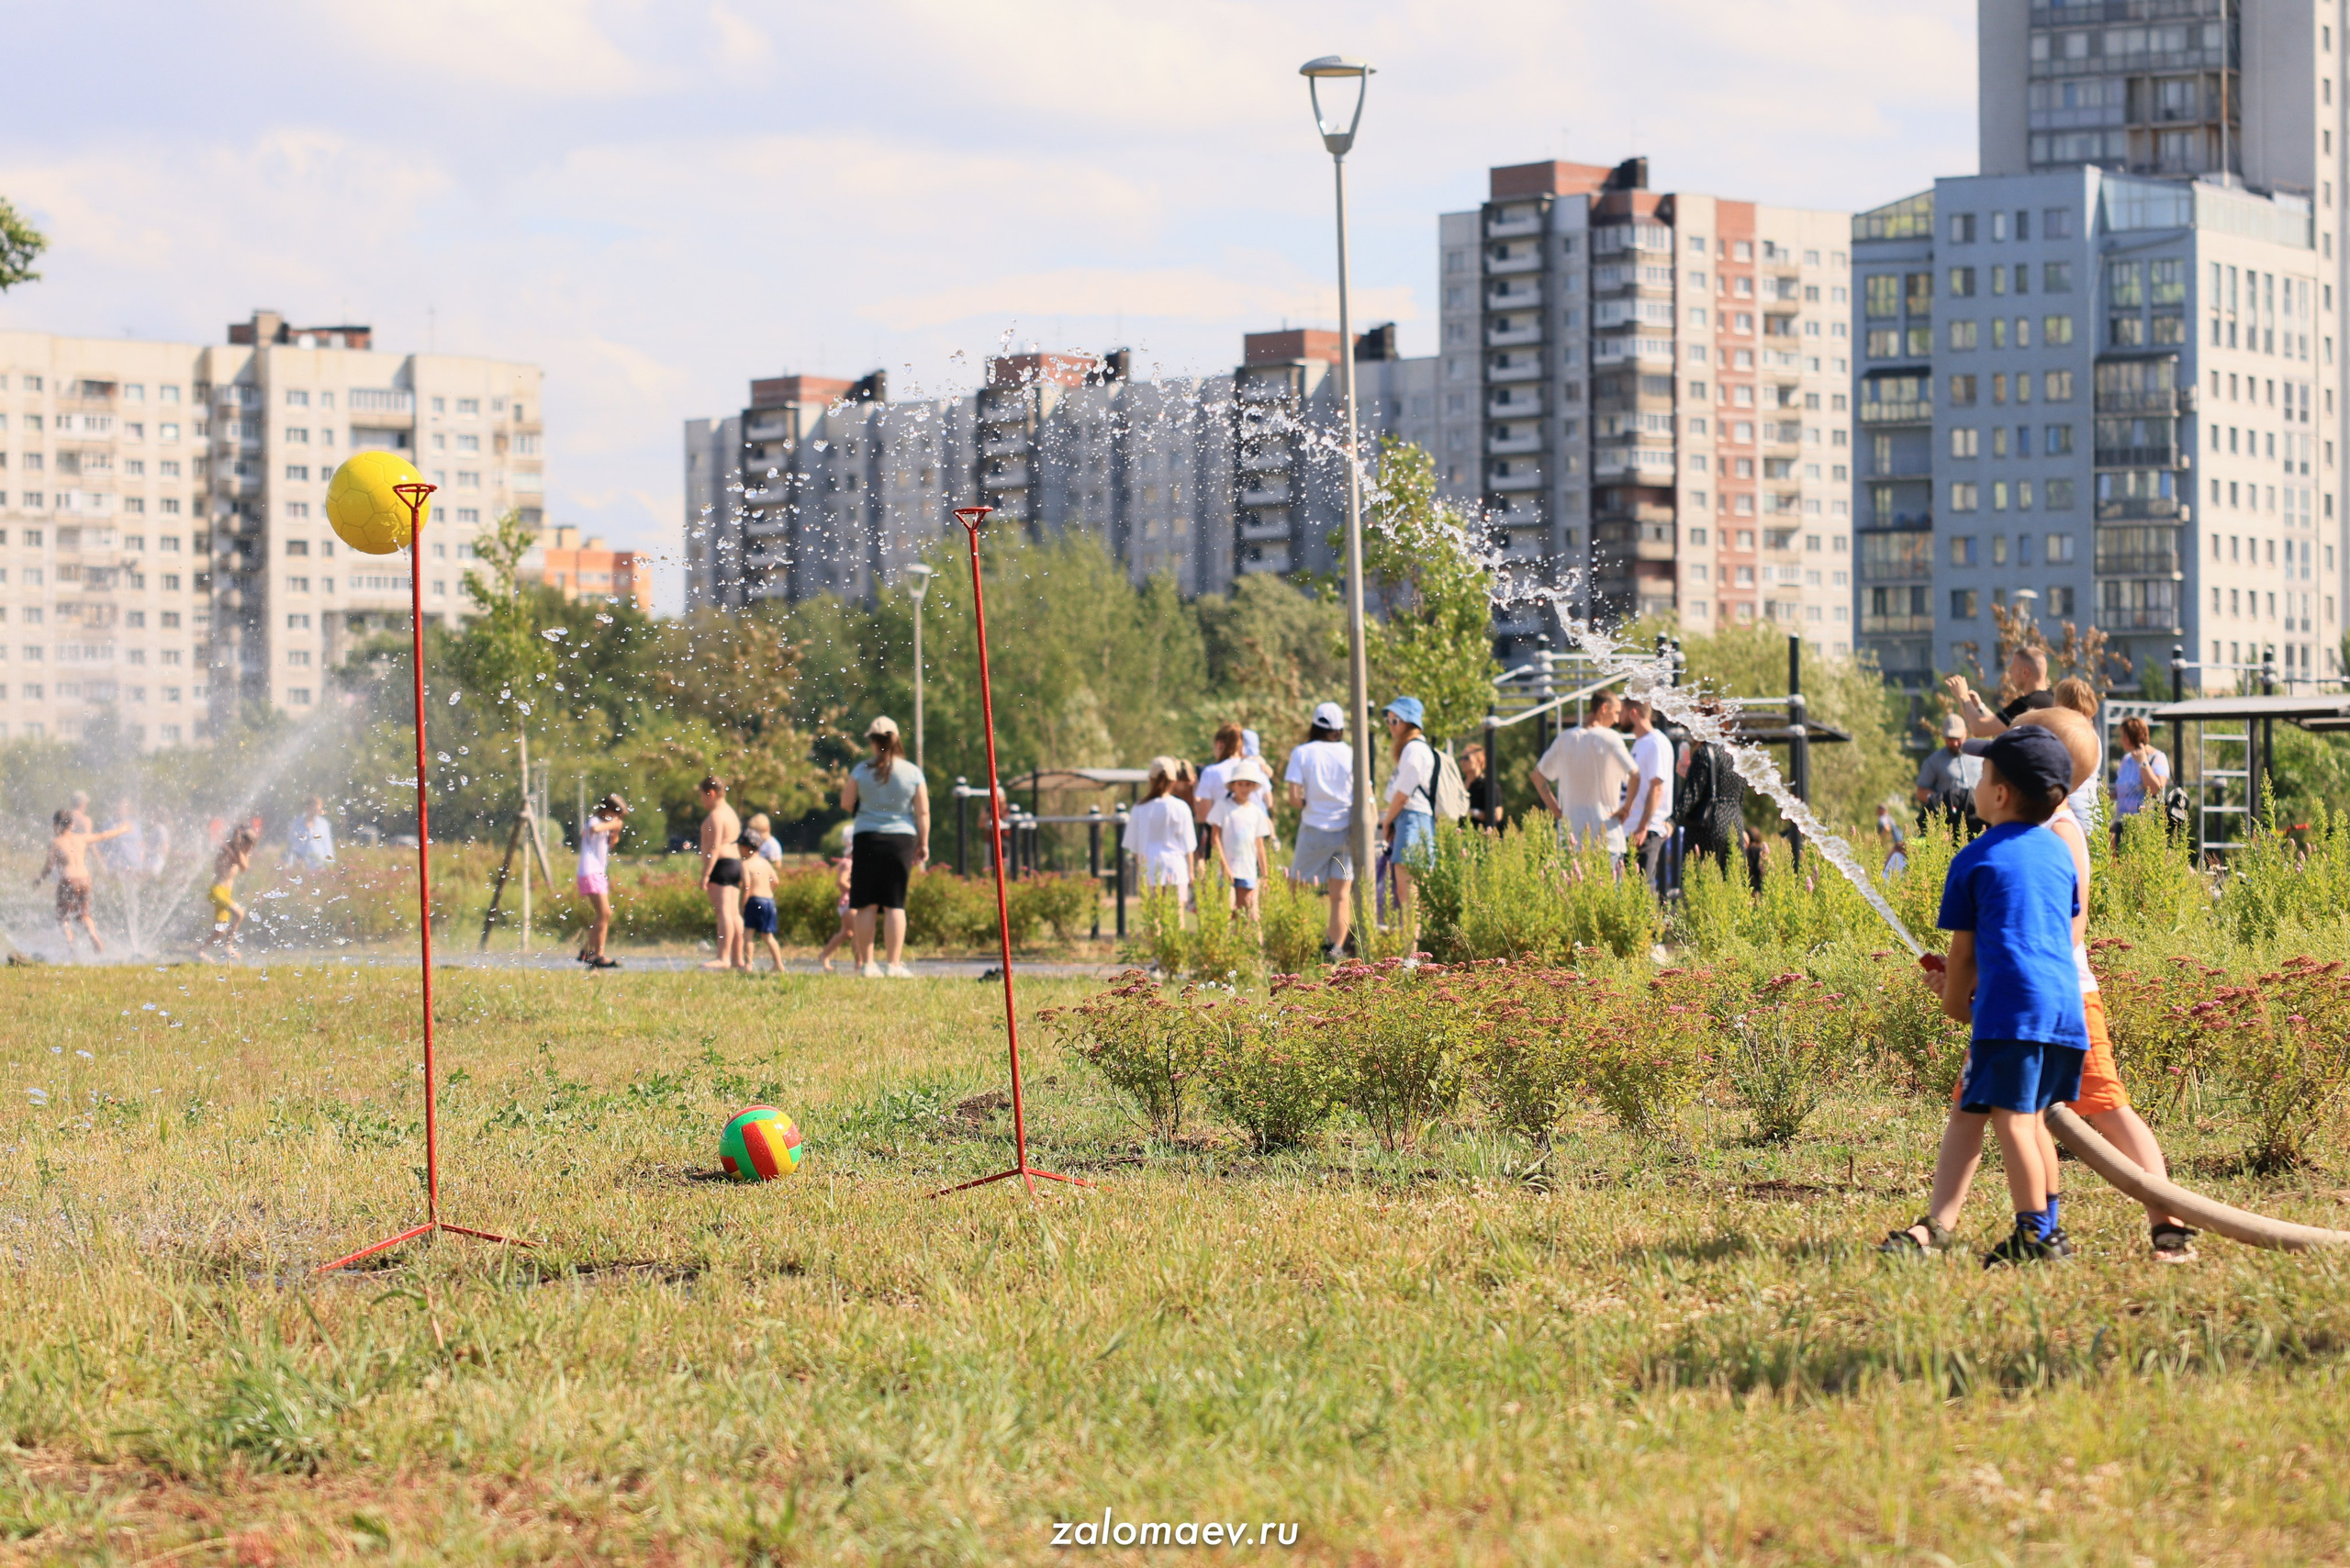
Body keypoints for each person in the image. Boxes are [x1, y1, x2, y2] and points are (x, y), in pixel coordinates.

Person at [1896, 726, 2088, 1267]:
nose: (1975, 785)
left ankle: (2036, 1238)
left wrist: (1956, 1001)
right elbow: (2036, 933)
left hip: (2011, 1014)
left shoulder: (1976, 858)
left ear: (2000, 795)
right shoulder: (2058, 854)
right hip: (2063, 1011)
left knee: (2012, 1123)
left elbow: (1962, 955)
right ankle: (2046, 1227)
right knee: (2022, 1116)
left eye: (1982, 777)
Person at [841, 715, 928, 979]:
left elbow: (846, 803)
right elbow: (922, 812)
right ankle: (893, 964)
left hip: (867, 837)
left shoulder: (861, 770)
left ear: (871, 741)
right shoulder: (912, 772)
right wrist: (923, 843)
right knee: (894, 904)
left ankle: (867, 965)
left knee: (866, 903)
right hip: (900, 840)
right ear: (897, 739)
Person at [1528, 689, 1636, 871]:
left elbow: (1537, 777)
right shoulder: (1610, 738)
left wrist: (1557, 810)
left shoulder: (1565, 739)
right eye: (1616, 712)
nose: (1617, 720)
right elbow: (1635, 775)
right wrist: (1626, 808)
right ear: (1604, 708)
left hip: (1571, 836)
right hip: (1606, 835)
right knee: (1610, 897)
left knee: (1573, 898)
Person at [1284, 700, 1358, 963]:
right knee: (1340, 895)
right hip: (1346, 830)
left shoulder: (1302, 752)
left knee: (1298, 888)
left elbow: (1294, 797)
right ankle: (1335, 948)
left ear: (1314, 724)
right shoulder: (1351, 752)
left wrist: (1307, 803)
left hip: (1314, 828)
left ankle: (1302, 942)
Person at [1377, 696, 1438, 933]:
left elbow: (1403, 795)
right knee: (1414, 892)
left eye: (1395, 720)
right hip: (1415, 819)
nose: (1390, 725)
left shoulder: (1413, 749)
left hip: (1412, 819)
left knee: (1408, 892)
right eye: (1388, 720)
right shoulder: (1415, 749)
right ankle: (1417, 950)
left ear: (1409, 723)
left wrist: (1387, 821)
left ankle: (1412, 953)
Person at [38, 809, 132, 958]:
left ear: (55, 825)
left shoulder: (55, 842)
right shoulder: (81, 838)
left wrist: (40, 879)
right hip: (84, 880)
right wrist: (122, 829)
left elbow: (49, 867)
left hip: (68, 881)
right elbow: (102, 836)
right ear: (72, 824)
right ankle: (94, 936)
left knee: (63, 916)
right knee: (84, 914)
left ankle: (70, 946)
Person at [1677, 699, 1746, 876]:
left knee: (1701, 886)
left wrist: (1671, 819)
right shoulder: (1735, 754)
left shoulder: (1704, 753)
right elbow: (1739, 795)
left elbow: (1691, 794)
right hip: (1734, 824)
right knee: (1732, 886)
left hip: (1708, 827)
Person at [1123, 756, 1197, 913]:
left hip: (1151, 868)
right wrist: (1191, 871)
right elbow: (1189, 846)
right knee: (1177, 918)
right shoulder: (1181, 807)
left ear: (1151, 779)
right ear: (1174, 781)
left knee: (1154, 917)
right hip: (1177, 868)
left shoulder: (1139, 808)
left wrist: (1141, 872)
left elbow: (1135, 849)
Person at [1623, 696, 1675, 893]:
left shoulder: (1656, 742)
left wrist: (1643, 825)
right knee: (1633, 887)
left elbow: (1657, 786)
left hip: (1645, 829)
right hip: (1634, 827)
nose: (1619, 718)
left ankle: (1650, 926)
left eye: (1622, 713)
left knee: (1642, 886)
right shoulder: (1640, 743)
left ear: (1633, 713)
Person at [1944, 644, 2053, 738]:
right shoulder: (2054, 698)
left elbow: (1979, 728)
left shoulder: (2026, 704)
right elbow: (2001, 726)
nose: (2010, 674)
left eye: (2013, 669)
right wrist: (1980, 707)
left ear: (2025, 672)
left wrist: (1962, 695)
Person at [696, 776, 745, 972]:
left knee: (723, 913)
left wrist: (706, 874)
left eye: (702, 796)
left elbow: (714, 846)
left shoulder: (717, 815)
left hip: (721, 865)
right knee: (734, 914)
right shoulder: (731, 813)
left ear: (711, 793)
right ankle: (737, 957)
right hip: (734, 863)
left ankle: (723, 957)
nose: (702, 801)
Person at [1215, 761, 1275, 921]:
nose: (1244, 788)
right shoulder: (1223, 807)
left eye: (1248, 785)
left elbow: (1260, 845)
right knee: (1226, 913)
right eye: (1240, 784)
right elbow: (1215, 838)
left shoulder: (1256, 812)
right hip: (1227, 868)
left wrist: (1265, 875)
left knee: (1246, 913)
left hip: (1247, 868)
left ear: (1253, 787)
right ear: (1233, 785)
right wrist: (1224, 866)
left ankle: (1244, 944)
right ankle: (1226, 945)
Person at [576, 794, 627, 970]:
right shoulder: (594, 822)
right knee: (605, 913)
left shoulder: (605, 824)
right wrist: (614, 824)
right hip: (590, 872)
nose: (618, 819)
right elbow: (595, 830)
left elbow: (609, 843)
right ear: (607, 811)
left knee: (604, 914)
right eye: (616, 814)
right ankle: (595, 953)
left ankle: (591, 952)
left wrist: (615, 832)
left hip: (596, 872)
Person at [1193, 722, 1247, 880]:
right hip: (1248, 835)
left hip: (1220, 838)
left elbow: (1204, 816)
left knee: (1220, 894)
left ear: (1219, 744)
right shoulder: (1252, 768)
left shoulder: (1211, 772)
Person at [1915, 713, 1984, 834]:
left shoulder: (1979, 757)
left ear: (1965, 733)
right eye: (1950, 739)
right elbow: (1921, 792)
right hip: (1949, 822)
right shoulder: (1933, 762)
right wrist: (1941, 803)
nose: (1955, 744)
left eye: (1958, 739)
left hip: (1978, 818)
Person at [198, 825, 259, 962]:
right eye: (250, 846)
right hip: (217, 891)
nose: (250, 850)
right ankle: (228, 947)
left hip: (226, 893)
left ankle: (199, 951)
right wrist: (237, 845)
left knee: (220, 931)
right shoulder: (229, 850)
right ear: (243, 842)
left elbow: (244, 867)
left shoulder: (240, 853)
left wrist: (241, 848)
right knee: (239, 913)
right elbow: (241, 864)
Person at [2052, 677, 2103, 836]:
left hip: (2068, 816)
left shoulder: (2067, 734)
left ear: (2061, 703)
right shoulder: (2092, 735)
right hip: (2091, 815)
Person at [2110, 714, 2171, 848]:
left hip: (2145, 823)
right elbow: (2124, 789)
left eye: (2123, 736)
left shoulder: (2157, 758)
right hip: (2123, 823)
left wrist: (2143, 763)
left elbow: (2156, 789)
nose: (2121, 740)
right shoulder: (2126, 759)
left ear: (2131, 736)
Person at [737, 847, 786, 973]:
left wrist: (743, 905)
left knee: (748, 934)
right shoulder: (765, 863)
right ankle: (779, 964)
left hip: (755, 900)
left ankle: (748, 965)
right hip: (769, 900)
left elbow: (747, 886)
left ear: (745, 848)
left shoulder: (746, 864)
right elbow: (776, 881)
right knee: (768, 936)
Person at [817, 823, 856, 973]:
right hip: (849, 902)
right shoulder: (849, 862)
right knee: (858, 932)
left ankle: (824, 954)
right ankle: (860, 963)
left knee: (847, 932)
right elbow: (840, 882)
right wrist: (858, 890)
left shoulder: (851, 861)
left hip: (847, 902)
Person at [285, 796, 335, 869]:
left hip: (319, 866)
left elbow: (328, 846)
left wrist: (330, 866)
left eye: (318, 809)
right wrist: (290, 864)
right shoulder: (296, 823)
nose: (316, 811)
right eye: (314, 808)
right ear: (308, 807)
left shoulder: (323, 824)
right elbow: (290, 845)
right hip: (300, 866)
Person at [1460, 743, 1501, 830]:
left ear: (1479, 761)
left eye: (1467, 758)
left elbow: (1497, 816)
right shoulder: (1458, 783)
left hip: (1479, 836)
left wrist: (1474, 813)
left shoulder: (1489, 786)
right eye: (1461, 758)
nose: (1462, 762)